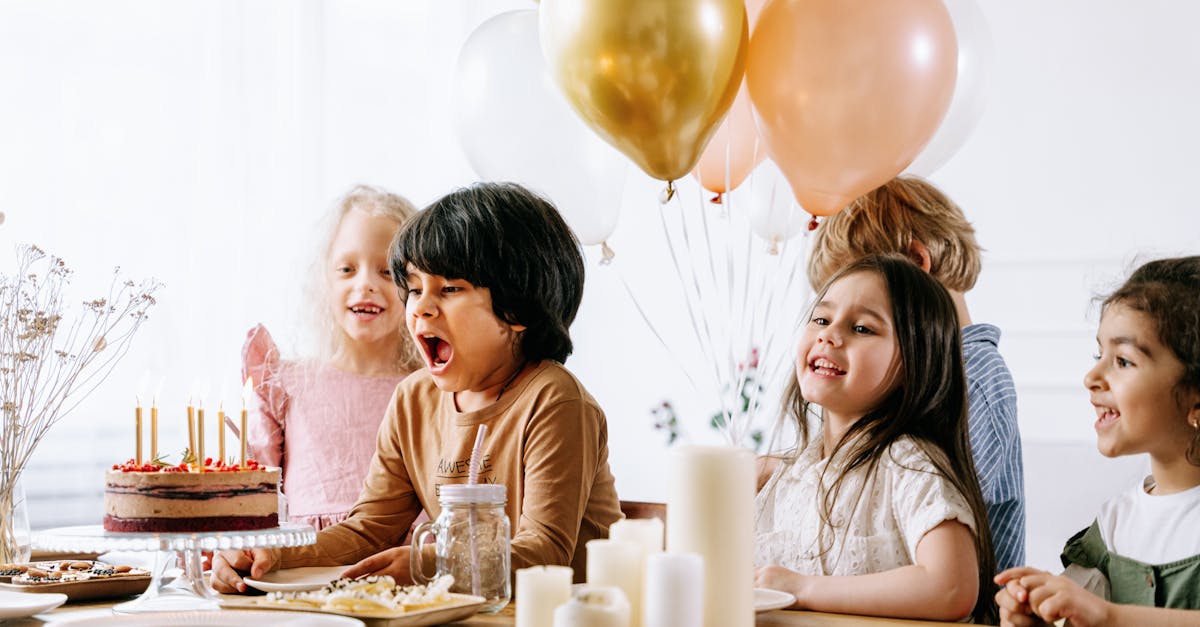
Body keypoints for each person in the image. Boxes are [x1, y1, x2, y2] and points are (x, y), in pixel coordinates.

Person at [212, 182, 623, 593]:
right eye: (413, 288)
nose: (421, 307)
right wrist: (271, 554)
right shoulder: (414, 399)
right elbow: (369, 529)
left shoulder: (554, 401)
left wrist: (432, 564)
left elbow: (544, 553)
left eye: (449, 289)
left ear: (516, 310)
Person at [755, 254, 997, 624]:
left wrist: (802, 588)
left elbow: (951, 587)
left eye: (862, 328)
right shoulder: (784, 477)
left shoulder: (908, 463)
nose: (828, 334)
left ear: (916, 361)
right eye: (821, 318)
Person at [807, 176, 1025, 573]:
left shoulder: (973, 379)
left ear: (915, 266)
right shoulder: (892, 376)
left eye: (861, 320)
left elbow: (932, 505)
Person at [995, 256, 1200, 627]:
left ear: (1196, 399)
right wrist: (1034, 612)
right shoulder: (1114, 524)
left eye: (1122, 361)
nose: (1092, 376)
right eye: (1098, 354)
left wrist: (1109, 617)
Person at [241, 184, 421, 531]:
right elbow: (251, 500)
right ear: (323, 280)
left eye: (387, 271)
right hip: (305, 573)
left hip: (406, 575)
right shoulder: (284, 384)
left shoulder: (432, 388)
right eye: (347, 269)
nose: (366, 283)